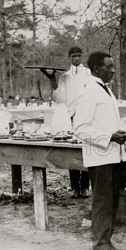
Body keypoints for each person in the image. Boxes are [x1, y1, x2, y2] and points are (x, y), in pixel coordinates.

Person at [73, 51, 126, 250]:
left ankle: (107, 242)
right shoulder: (89, 91)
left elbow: (115, 126)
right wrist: (108, 137)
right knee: (102, 203)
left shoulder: (105, 90)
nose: (113, 70)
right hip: (99, 157)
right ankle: (99, 248)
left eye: (113, 66)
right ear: (97, 69)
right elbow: (79, 128)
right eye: (109, 67)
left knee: (112, 202)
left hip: (113, 155)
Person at [41, 46, 91, 198]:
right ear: (69, 58)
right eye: (73, 56)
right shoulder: (64, 76)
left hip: (86, 115)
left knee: (85, 150)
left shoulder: (88, 73)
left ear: (82, 57)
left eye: (79, 56)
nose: (76, 59)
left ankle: (85, 187)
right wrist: (52, 80)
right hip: (71, 117)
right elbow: (61, 98)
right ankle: (75, 187)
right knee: (72, 151)